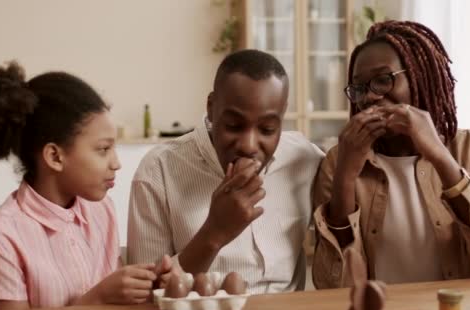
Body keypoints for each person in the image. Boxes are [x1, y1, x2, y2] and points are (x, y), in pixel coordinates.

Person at [311, 21, 470, 289]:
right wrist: (345, 176)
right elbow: (332, 287)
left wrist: (439, 155)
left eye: (383, 80)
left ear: (420, 77)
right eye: (360, 88)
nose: (370, 98)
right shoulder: (338, 160)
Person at [0, 62, 157, 310]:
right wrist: (98, 298)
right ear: (54, 156)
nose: (116, 163)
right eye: (103, 149)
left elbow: (119, 309)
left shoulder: (101, 211)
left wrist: (154, 284)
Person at [127, 49, 324, 293]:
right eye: (234, 125)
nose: (249, 145)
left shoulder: (304, 159)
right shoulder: (158, 173)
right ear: (211, 108)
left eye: (267, 129)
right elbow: (147, 296)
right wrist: (215, 232)